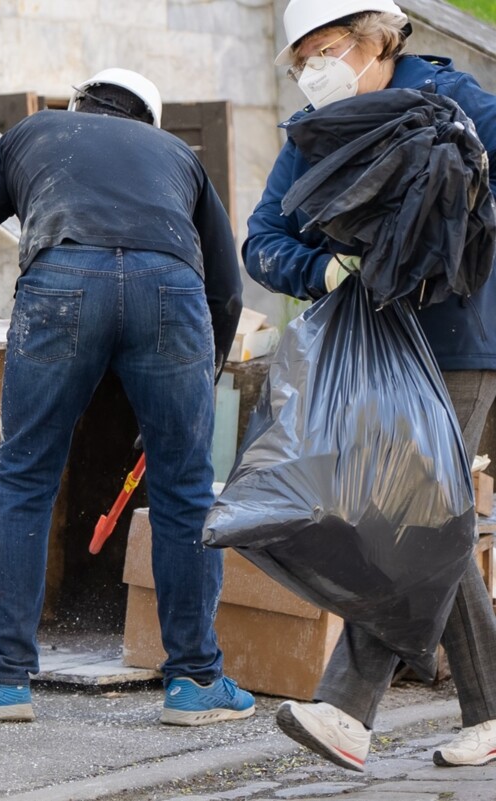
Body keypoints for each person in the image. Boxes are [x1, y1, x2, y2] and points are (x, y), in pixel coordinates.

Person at [0, 68, 251, 725]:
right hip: (170, 295)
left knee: (25, 479)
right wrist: (198, 385)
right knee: (185, 489)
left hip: (61, 283)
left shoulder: (33, 132)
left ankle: (3, 679)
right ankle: (196, 683)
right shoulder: (178, 155)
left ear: (79, 105)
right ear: (148, 121)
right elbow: (227, 289)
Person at [245, 0, 496, 771]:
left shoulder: (466, 107)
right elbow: (263, 238)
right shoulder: (311, 134)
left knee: (407, 518)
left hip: (457, 344)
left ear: (376, 40)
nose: (313, 72)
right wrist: (319, 268)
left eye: (325, 51)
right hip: (369, 350)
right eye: (301, 61)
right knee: (427, 521)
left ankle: (347, 709)